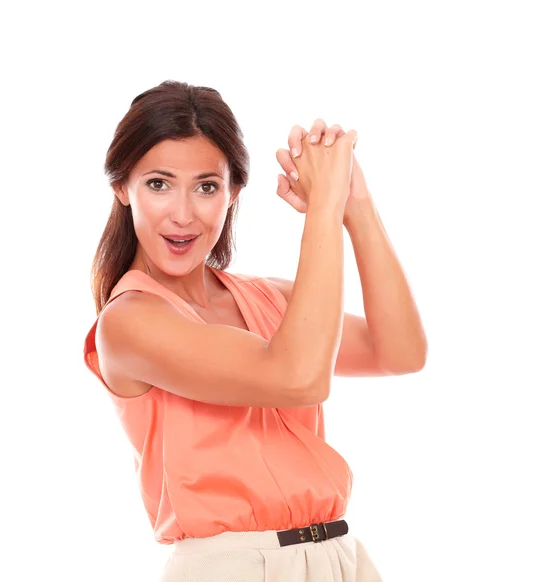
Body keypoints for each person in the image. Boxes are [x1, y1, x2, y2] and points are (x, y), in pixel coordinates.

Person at [83, 80, 399, 581]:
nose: (183, 214)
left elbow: (399, 351)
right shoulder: (128, 322)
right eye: (158, 183)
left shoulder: (267, 298)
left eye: (206, 186)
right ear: (122, 187)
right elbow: (300, 378)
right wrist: (321, 207)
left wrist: (353, 207)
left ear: (232, 192)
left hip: (338, 559)